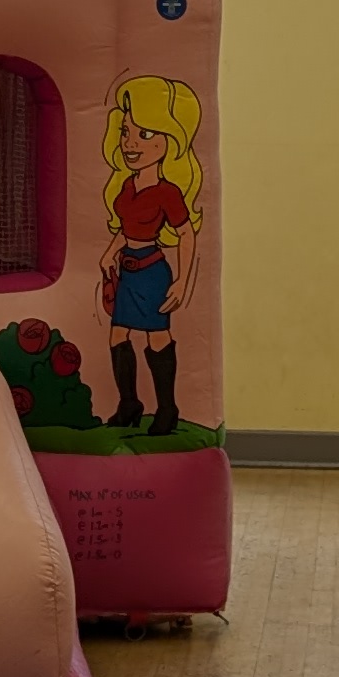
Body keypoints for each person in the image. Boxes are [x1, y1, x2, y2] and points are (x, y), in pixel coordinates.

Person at [99, 76, 204, 435]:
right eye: (126, 132)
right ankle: (129, 403)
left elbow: (186, 234)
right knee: (118, 335)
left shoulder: (167, 192)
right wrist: (110, 253)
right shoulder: (127, 185)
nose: (131, 143)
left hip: (152, 273)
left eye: (144, 134)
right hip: (128, 271)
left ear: (169, 139)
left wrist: (182, 282)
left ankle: (168, 409)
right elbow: (124, 228)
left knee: (156, 337)